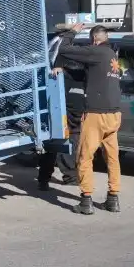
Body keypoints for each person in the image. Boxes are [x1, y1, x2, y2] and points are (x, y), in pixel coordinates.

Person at [52, 23, 123, 215]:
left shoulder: (96, 52)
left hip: (97, 114)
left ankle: (86, 201)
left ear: (94, 40)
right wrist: (65, 69)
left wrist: (72, 32)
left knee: (84, 157)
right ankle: (113, 199)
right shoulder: (111, 55)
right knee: (112, 157)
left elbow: (64, 49)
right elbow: (88, 75)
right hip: (114, 115)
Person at [39, 50, 84, 190]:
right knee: (64, 146)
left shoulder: (62, 76)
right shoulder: (78, 77)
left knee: (55, 147)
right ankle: (68, 177)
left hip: (67, 118)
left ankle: (45, 178)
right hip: (67, 118)